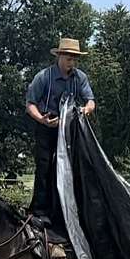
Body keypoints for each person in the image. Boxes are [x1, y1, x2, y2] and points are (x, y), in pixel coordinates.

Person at [25, 38, 95, 234]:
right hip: (47, 124)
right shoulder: (44, 77)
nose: (71, 62)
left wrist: (84, 111)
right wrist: (42, 120)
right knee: (45, 166)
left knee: (67, 168)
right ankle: (39, 210)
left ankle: (64, 210)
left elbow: (90, 101)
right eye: (68, 58)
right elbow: (30, 103)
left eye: (74, 58)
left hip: (69, 127)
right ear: (59, 57)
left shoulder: (79, 78)